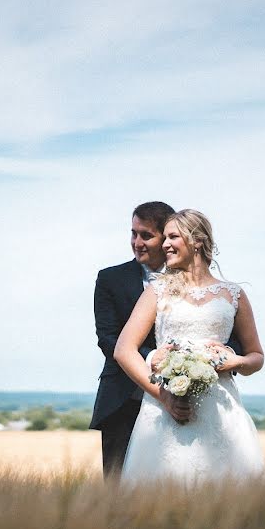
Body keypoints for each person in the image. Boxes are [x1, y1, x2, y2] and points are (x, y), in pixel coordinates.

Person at [91, 202, 243, 480]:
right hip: (124, 400)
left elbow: (231, 338)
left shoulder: (214, 290)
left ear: (167, 237)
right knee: (120, 491)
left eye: (146, 235)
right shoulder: (110, 279)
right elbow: (108, 339)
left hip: (196, 400)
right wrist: (157, 359)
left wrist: (211, 359)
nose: (137, 243)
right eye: (133, 234)